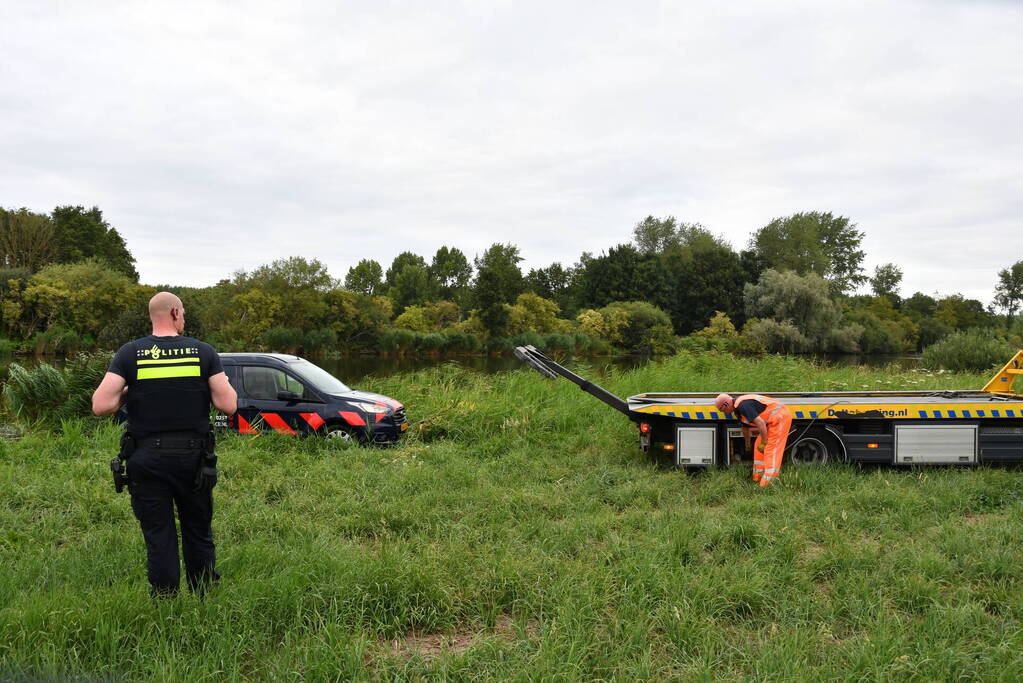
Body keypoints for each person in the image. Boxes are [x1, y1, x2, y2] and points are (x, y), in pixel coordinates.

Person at [92, 291, 236, 596]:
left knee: (159, 534)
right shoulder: (203, 352)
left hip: (147, 459)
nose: (183, 318)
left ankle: (166, 603)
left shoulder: (130, 354)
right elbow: (229, 406)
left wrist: (130, 391)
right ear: (174, 312)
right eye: (182, 313)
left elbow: (101, 405)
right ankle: (204, 595)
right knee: (198, 530)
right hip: (194, 459)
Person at [714, 393, 792, 487]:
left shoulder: (743, 406)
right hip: (771, 422)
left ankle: (769, 483)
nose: (724, 412)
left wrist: (764, 441)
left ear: (726, 404)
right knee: (757, 446)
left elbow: (760, 423)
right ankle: (758, 477)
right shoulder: (738, 410)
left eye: (722, 410)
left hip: (780, 417)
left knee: (770, 449)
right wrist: (748, 444)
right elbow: (745, 427)